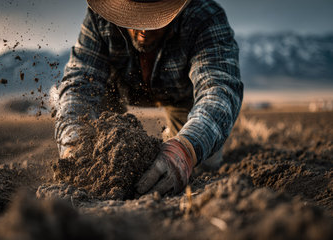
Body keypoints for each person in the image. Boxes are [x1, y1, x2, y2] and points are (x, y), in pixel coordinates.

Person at [54, 0, 243, 196]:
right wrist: (74, 139)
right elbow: (79, 83)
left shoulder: (205, 17)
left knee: (203, 164)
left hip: (182, 99)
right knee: (91, 146)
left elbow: (218, 88)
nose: (143, 30)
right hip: (113, 93)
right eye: (135, 17)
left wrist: (186, 148)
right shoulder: (100, 18)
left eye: (155, 20)